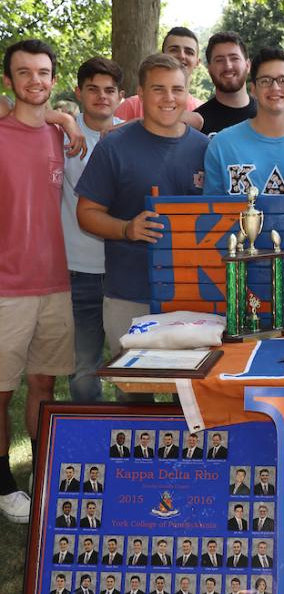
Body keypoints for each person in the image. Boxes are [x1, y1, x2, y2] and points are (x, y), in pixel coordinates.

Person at [76, 53, 208, 362]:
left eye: (177, 89)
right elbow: (86, 213)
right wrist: (126, 228)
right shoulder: (114, 146)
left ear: (187, 93)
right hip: (129, 294)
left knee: (189, 396)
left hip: (192, 296)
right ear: (141, 93)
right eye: (158, 89)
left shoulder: (205, 149)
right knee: (134, 397)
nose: (168, 98)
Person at [0, 39, 74, 523]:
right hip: (5, 288)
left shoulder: (62, 134)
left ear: (52, 79)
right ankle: (3, 482)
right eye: (23, 73)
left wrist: (64, 120)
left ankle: (41, 475)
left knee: (44, 382)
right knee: (1, 391)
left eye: (43, 72)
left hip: (55, 284)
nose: (34, 81)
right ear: (9, 81)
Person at [62, 57, 124, 402]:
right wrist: (62, 119)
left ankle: (131, 448)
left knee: (132, 372)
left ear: (121, 95)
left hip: (124, 272)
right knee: (84, 374)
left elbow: (194, 118)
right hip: (79, 271)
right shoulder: (60, 135)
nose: (102, 97)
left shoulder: (134, 132)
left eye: (109, 90)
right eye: (93, 90)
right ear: (79, 92)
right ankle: (94, 443)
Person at [204, 47, 284, 196]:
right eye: (265, 81)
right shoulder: (222, 145)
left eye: (283, 80)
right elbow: (210, 213)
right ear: (253, 89)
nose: (275, 87)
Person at [115, 26, 203, 120]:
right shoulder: (131, 107)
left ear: (197, 62)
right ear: (162, 55)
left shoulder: (202, 110)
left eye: (189, 52)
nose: (181, 56)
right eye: (174, 50)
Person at [195, 30, 257, 136]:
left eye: (234, 58)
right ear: (209, 69)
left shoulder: (267, 115)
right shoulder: (196, 123)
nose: (228, 66)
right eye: (219, 60)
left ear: (248, 65)